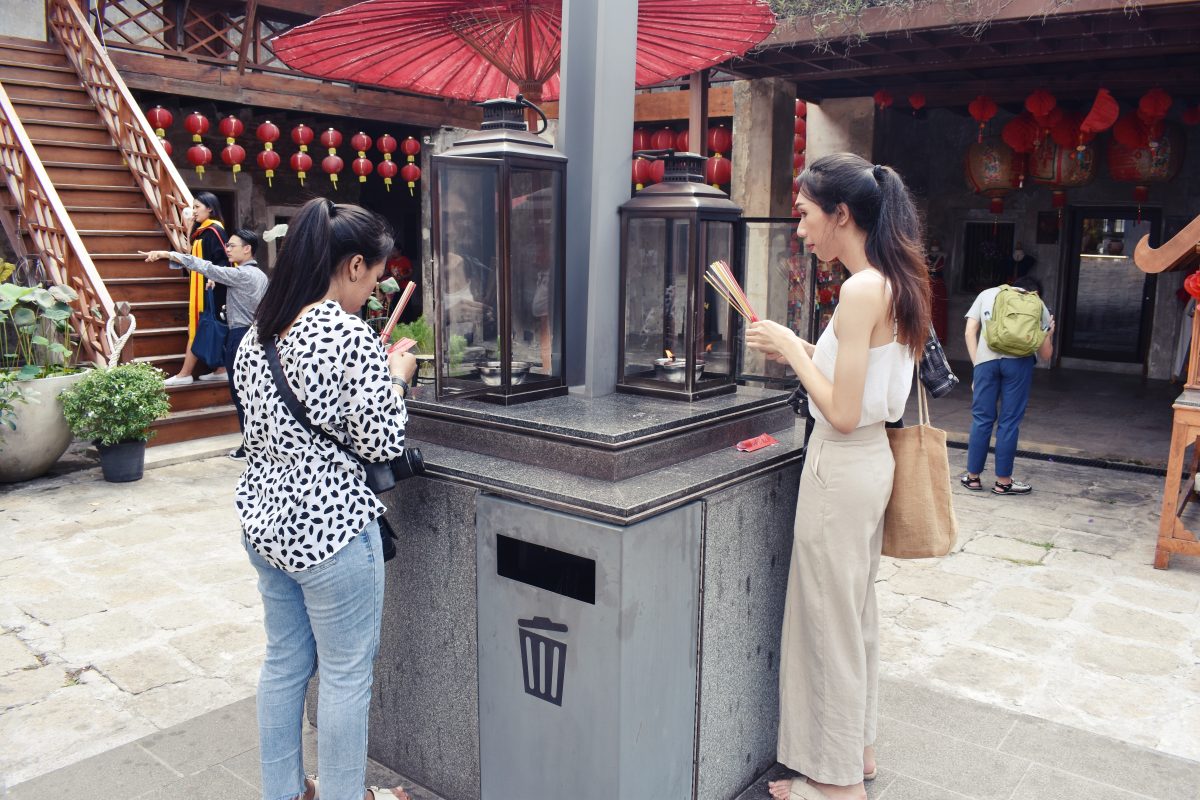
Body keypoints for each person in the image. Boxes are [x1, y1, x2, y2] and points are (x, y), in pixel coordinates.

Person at [746, 153, 930, 800]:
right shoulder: (896, 280)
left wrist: (791, 348)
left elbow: (843, 412)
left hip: (843, 464)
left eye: (803, 215)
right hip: (871, 465)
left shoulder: (860, 290)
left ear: (841, 214)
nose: (799, 230)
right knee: (854, 615)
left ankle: (833, 783)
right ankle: (859, 753)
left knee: (827, 624)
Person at [234, 197, 418, 800]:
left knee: (284, 663)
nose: (376, 290)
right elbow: (381, 439)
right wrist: (395, 378)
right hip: (331, 529)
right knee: (344, 677)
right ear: (354, 265)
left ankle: (284, 792)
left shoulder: (258, 333)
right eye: (376, 276)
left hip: (264, 522)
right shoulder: (345, 332)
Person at [140, 228, 269, 460]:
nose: (227, 249)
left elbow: (206, 267)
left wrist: (168, 255)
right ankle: (259, 444)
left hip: (240, 336)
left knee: (241, 395)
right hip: (256, 336)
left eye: (232, 245)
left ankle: (250, 447)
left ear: (247, 249)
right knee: (253, 395)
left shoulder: (242, 274)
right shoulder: (261, 276)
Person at [961, 275, 1055, 495]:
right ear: (1034, 292)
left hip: (986, 363)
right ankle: (1003, 482)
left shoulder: (987, 294)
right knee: (1009, 422)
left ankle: (973, 478)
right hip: (1019, 365)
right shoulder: (1038, 304)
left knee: (982, 418)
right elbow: (1046, 354)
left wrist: (978, 367)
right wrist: (1049, 333)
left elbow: (969, 332)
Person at [165, 192, 229, 386]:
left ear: (210, 208)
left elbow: (223, 260)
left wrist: (213, 279)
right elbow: (191, 251)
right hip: (203, 285)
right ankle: (221, 369)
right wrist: (191, 225)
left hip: (212, 287)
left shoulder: (215, 230)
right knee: (206, 325)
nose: (193, 211)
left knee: (200, 326)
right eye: (193, 207)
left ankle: (185, 373)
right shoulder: (203, 230)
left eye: (197, 207)